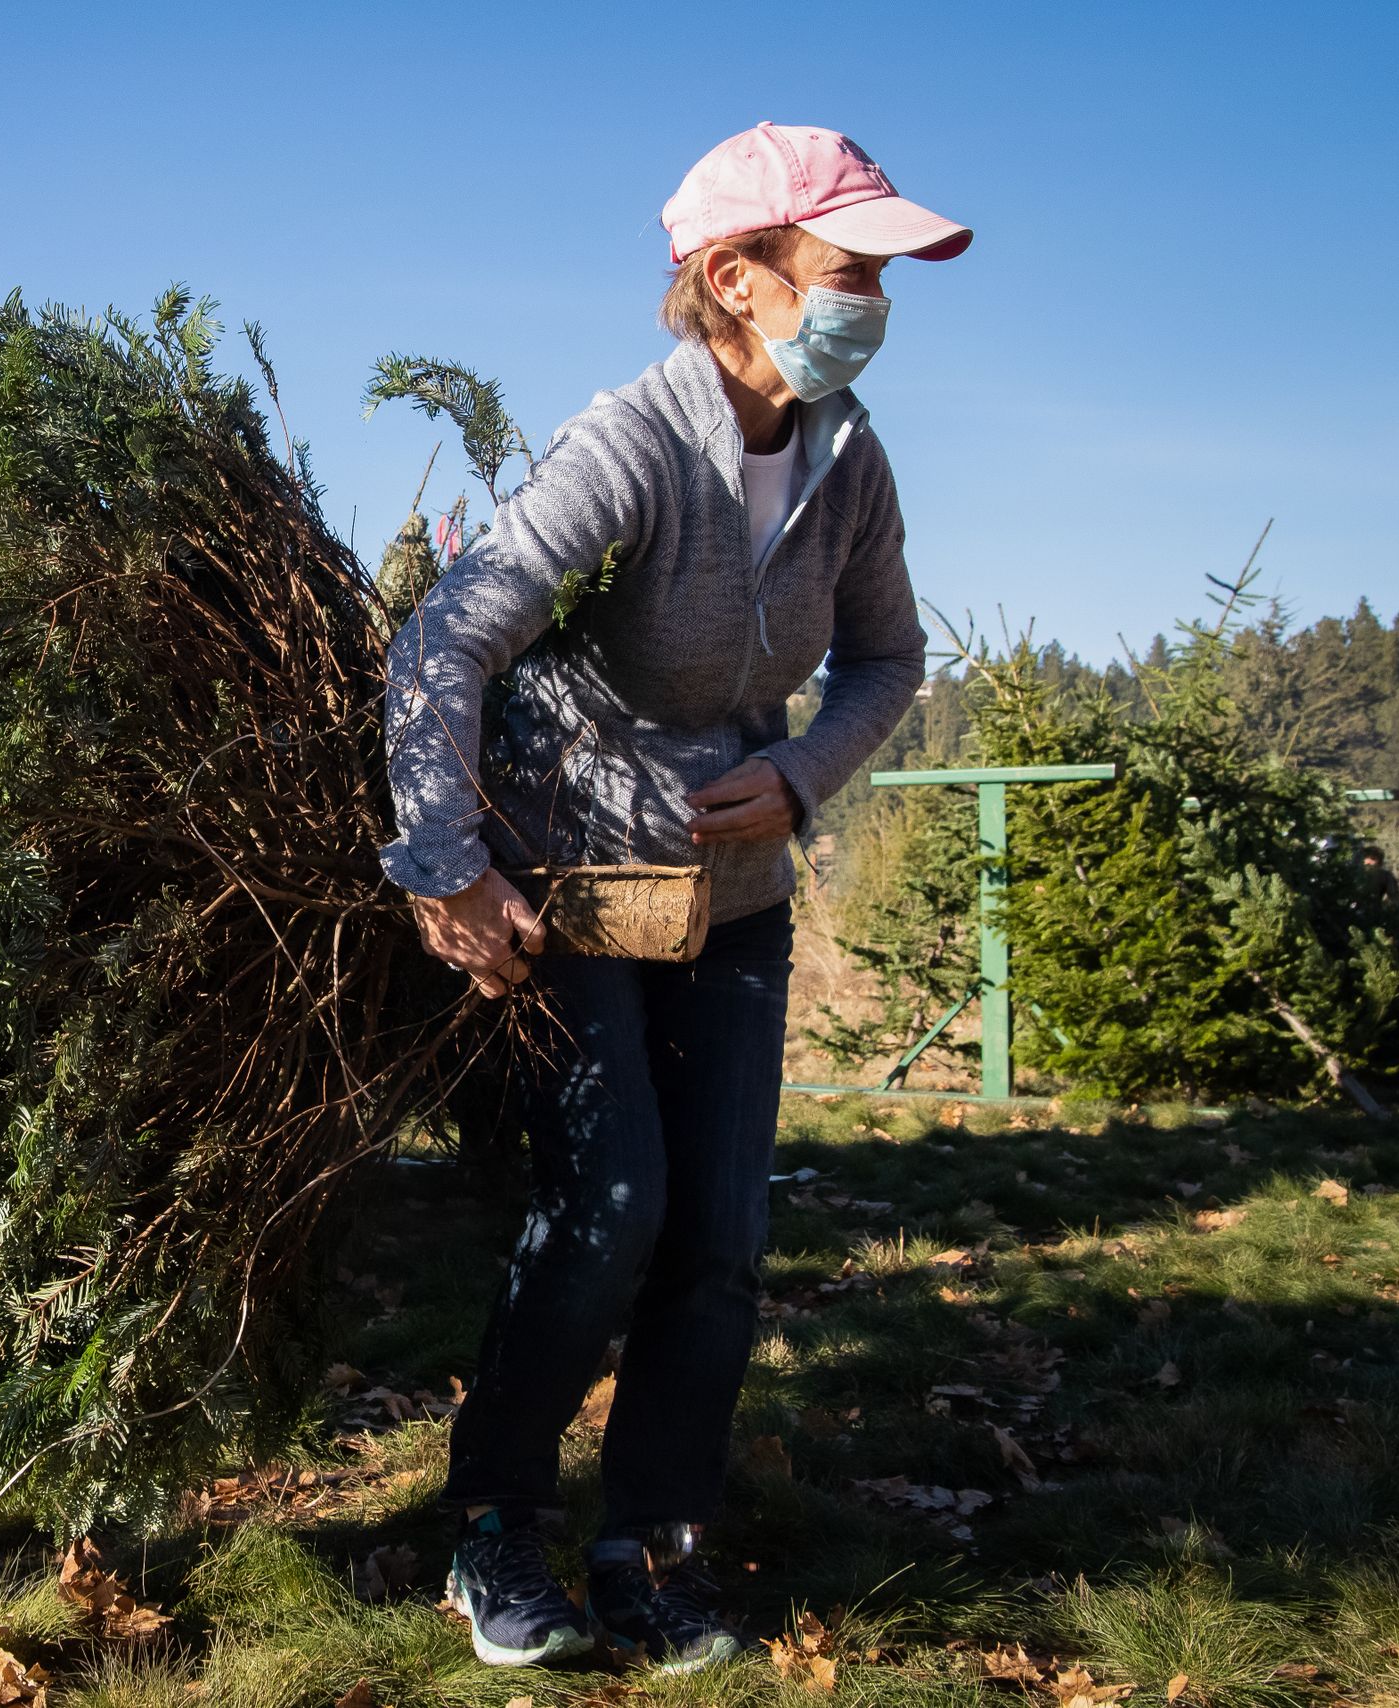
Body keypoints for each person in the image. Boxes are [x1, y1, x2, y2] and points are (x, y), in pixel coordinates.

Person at [382, 124, 963, 1671]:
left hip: (740, 894)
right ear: (736, 277)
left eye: (884, 279)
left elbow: (890, 658)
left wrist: (805, 775)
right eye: (853, 273)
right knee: (613, 1201)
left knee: (718, 1235)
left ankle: (653, 1541)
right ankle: (495, 1526)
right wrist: (446, 865)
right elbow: (446, 641)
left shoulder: (853, 463)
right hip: (575, 890)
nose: (877, 305)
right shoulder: (631, 450)